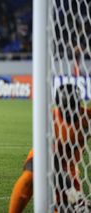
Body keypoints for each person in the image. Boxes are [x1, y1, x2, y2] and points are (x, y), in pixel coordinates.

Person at [8, 84, 91, 212]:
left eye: (73, 109)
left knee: (65, 207)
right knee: (28, 177)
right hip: (43, 157)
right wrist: (70, 190)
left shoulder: (87, 117)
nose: (69, 114)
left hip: (70, 168)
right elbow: (52, 161)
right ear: (58, 106)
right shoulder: (50, 121)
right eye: (65, 110)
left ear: (79, 104)